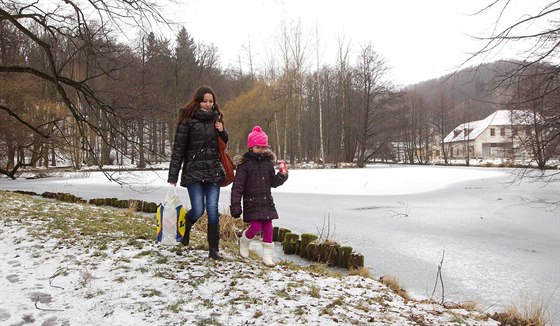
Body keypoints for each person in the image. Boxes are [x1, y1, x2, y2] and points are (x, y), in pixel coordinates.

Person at [167, 86, 228, 260]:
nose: (208, 104)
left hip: (213, 171)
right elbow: (178, 149)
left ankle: (214, 250)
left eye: (211, 101)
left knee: (213, 209)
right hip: (194, 171)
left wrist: (222, 130)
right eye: (205, 101)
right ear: (198, 101)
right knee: (198, 209)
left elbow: (224, 144)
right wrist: (173, 175)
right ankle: (186, 224)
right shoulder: (187, 120)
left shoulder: (217, 119)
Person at [230, 125, 288, 267]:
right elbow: (237, 187)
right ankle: (244, 240)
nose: (261, 150)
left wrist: (282, 176)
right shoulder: (245, 165)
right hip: (251, 202)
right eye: (258, 147)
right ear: (251, 147)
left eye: (264, 147)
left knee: (268, 227)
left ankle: (267, 257)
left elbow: (272, 182)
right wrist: (236, 205)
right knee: (255, 226)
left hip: (266, 201)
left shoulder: (268, 164)